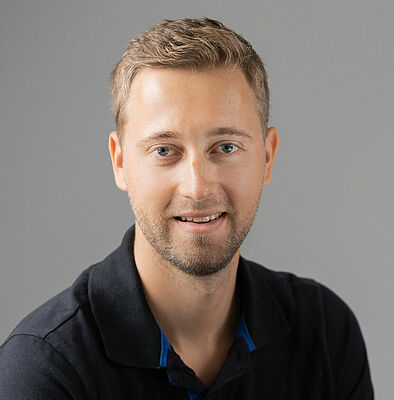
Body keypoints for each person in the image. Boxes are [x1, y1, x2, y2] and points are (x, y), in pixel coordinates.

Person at [0, 17, 374, 399]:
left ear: (267, 156)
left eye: (225, 147)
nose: (197, 188)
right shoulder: (45, 371)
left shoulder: (326, 335)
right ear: (120, 162)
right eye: (164, 150)